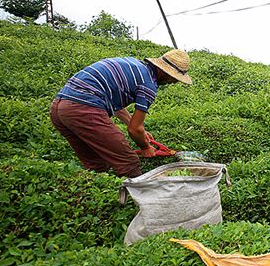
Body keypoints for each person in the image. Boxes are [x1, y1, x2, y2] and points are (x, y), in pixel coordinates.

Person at [50, 49, 192, 178]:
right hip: (83, 108)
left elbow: (118, 108)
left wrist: (137, 128)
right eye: (174, 78)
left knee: (96, 163)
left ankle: (101, 196)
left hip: (59, 109)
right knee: (128, 161)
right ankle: (139, 200)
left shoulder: (134, 65)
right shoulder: (148, 84)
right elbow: (134, 130)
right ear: (164, 71)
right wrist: (145, 147)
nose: (173, 82)